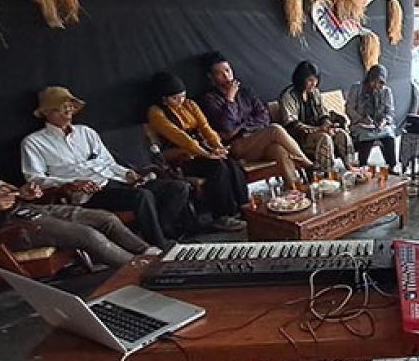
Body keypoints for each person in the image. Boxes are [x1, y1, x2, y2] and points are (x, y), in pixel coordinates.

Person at [0, 119, 151, 268]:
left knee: (106, 218)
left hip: (23, 209)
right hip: (0, 230)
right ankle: (140, 269)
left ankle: (154, 255)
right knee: (88, 235)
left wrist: (21, 192)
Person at [21, 86, 191, 250]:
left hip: (116, 181)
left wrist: (127, 173)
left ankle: (159, 233)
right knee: (142, 196)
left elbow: (108, 162)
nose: (67, 111)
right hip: (90, 193)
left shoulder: (86, 132)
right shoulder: (34, 142)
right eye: (60, 108)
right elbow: (34, 179)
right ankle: (159, 244)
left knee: (178, 187)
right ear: (45, 113)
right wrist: (70, 183)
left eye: (69, 106)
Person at [146, 72, 248, 232]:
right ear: (163, 99)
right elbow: (179, 137)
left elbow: (206, 128)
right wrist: (206, 153)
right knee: (217, 167)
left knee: (231, 163)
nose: (180, 101)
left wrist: (218, 146)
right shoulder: (156, 112)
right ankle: (222, 216)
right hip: (180, 156)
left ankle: (244, 206)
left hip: (200, 151)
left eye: (182, 96)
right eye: (175, 98)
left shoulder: (190, 105)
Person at [198, 52, 313, 187]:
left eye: (228, 70)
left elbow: (264, 117)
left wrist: (242, 127)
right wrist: (229, 99)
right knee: (275, 129)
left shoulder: (246, 92)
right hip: (236, 147)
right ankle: (308, 164)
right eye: (220, 73)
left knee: (278, 150)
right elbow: (227, 129)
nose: (226, 76)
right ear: (211, 77)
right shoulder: (209, 99)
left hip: (258, 140)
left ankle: (295, 192)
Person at [278, 61, 354, 170]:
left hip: (317, 131)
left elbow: (323, 113)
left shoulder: (315, 92)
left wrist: (327, 125)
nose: (314, 83)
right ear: (301, 79)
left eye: (316, 80)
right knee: (325, 138)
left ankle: (351, 168)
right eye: (310, 80)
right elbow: (292, 125)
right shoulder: (288, 96)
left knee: (341, 134)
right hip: (299, 137)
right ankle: (325, 174)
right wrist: (318, 130)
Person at [346, 64, 398, 169]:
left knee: (389, 135)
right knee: (366, 135)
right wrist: (361, 119)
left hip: (379, 126)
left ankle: (392, 166)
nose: (375, 85)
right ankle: (363, 165)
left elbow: (390, 111)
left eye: (380, 83)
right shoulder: (357, 88)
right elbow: (349, 108)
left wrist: (384, 120)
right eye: (373, 81)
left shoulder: (386, 91)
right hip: (360, 124)